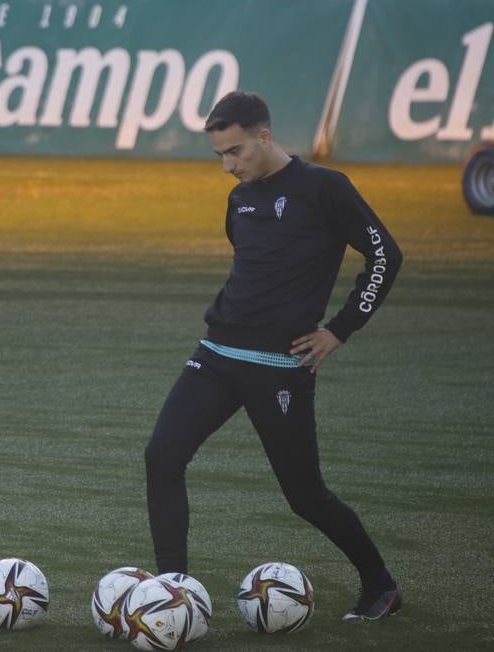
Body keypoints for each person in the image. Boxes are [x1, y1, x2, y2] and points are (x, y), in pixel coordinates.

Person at [143, 90, 405, 622]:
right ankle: (173, 594)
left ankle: (380, 585)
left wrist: (340, 329)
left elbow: (385, 253)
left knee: (305, 497)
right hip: (216, 353)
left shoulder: (324, 188)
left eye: (235, 151)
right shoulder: (240, 198)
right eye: (219, 155)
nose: (228, 165)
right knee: (161, 456)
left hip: (279, 368)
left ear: (264, 136)